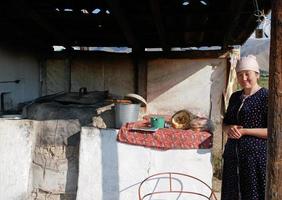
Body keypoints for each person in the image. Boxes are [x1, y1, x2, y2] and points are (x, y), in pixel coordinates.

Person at [221, 55, 268, 200]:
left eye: (248, 73)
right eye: (240, 75)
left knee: (253, 194)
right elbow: (225, 123)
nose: (244, 78)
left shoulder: (266, 97)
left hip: (255, 159)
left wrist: (244, 131)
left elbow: (273, 131)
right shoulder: (235, 97)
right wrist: (229, 128)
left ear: (257, 74)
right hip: (233, 157)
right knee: (232, 193)